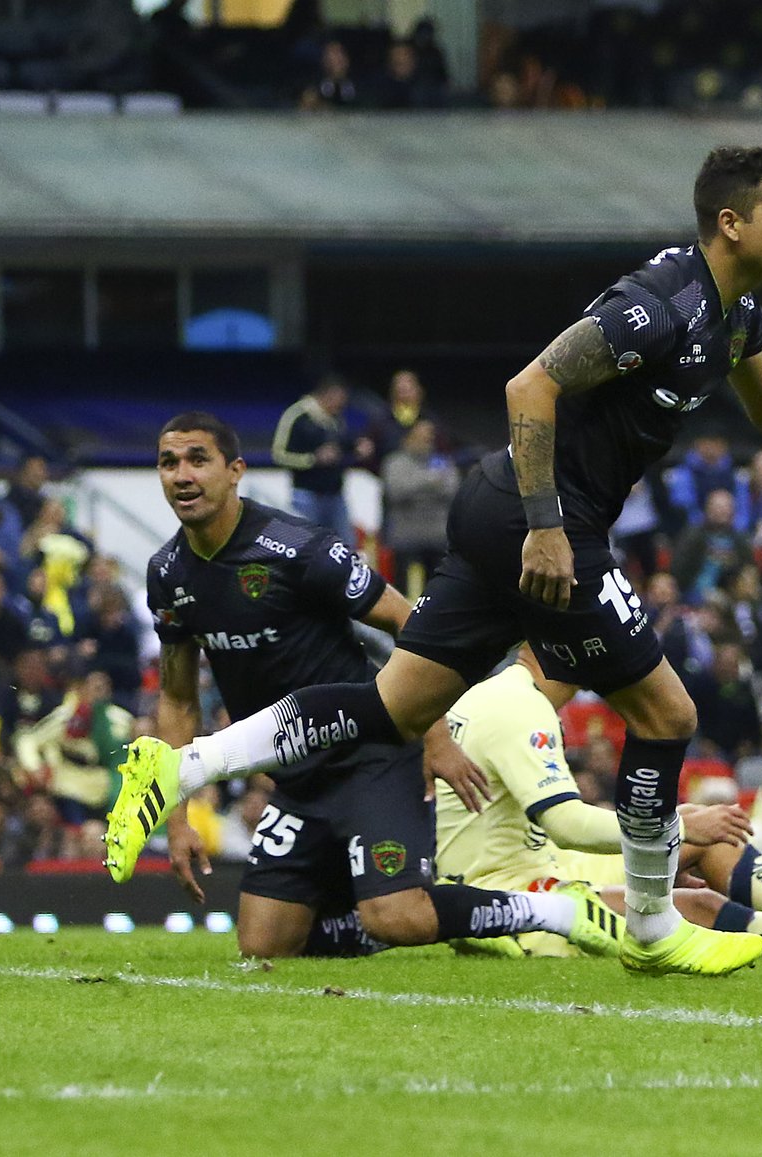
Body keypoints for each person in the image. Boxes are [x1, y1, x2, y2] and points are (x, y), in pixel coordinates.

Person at [109, 147, 762, 980]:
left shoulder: (736, 315)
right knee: (667, 714)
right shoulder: (656, 307)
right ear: (731, 224)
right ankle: (655, 921)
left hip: (503, 512)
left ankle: (182, 763)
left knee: (393, 708)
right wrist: (547, 527)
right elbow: (530, 387)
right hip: (540, 522)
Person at [138, 412, 616, 961]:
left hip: (372, 758)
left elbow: (411, 624)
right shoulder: (168, 573)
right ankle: (411, 903)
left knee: (396, 918)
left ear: (235, 471)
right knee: (263, 946)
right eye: (168, 462)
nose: (181, 475)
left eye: (198, 459)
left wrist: (433, 735)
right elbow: (176, 699)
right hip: (296, 781)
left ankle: (556, 912)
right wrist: (175, 819)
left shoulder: (298, 548)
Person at [428, 659, 762, 959]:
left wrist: (683, 827)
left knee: (712, 839)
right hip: (507, 903)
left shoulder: (503, 695)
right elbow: (565, 823)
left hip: (538, 871)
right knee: (682, 906)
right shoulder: (521, 708)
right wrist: (678, 822)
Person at [271, 376, 371, 545]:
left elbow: (339, 446)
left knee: (346, 546)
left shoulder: (336, 419)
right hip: (307, 496)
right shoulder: (297, 415)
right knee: (306, 547)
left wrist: (356, 446)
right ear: (326, 395)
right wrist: (313, 459)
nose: (340, 406)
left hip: (335, 494)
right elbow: (279, 454)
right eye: (338, 400)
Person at [380, 418, 459, 599]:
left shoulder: (442, 461)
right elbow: (396, 492)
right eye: (422, 436)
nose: (427, 440)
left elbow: (452, 489)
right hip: (406, 536)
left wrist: (416, 487)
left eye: (430, 436)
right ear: (408, 438)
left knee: (438, 592)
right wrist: (431, 482)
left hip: (437, 536)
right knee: (400, 591)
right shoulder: (394, 462)